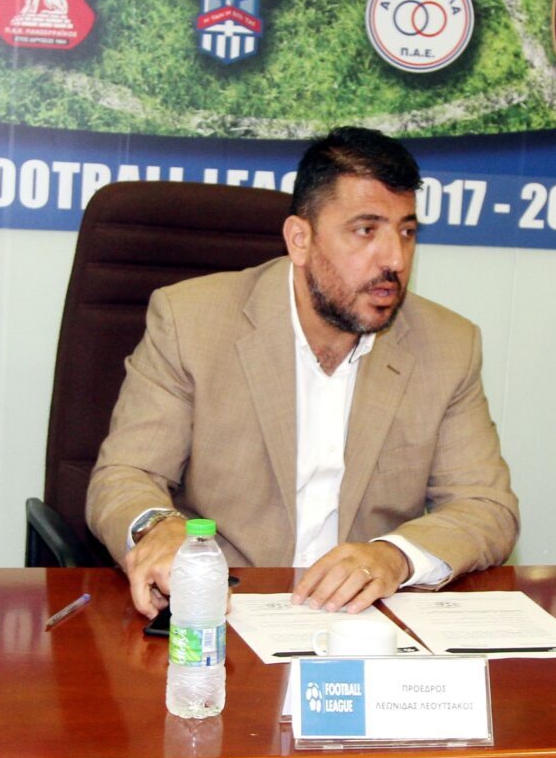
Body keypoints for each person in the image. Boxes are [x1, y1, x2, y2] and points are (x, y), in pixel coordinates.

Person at [87, 127, 520, 617]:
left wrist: (395, 556)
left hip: (363, 622)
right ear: (300, 239)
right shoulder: (190, 322)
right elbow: (126, 474)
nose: (395, 260)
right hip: (226, 611)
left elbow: (487, 507)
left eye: (406, 232)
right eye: (366, 230)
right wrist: (157, 529)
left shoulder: (448, 345)